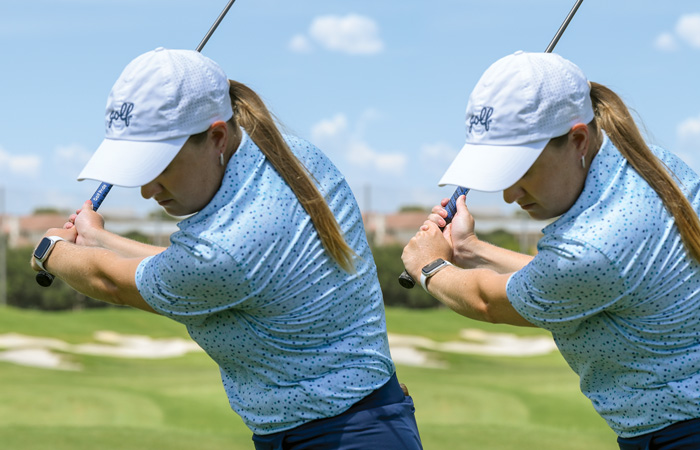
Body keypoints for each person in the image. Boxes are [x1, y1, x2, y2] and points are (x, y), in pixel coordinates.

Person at [31, 48, 423, 450]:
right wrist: (97, 238)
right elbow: (184, 267)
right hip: (364, 421)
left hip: (339, 437)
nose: (147, 190)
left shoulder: (229, 247)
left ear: (217, 137)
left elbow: (113, 282)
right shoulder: (289, 156)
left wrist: (50, 250)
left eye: (160, 166)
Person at [401, 50, 700, 449]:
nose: (509, 195)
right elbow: (568, 278)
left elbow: (488, 301)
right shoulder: (644, 164)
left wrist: (428, 265)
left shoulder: (597, 241)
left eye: (522, 170)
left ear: (577, 140)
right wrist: (470, 249)